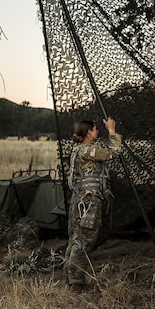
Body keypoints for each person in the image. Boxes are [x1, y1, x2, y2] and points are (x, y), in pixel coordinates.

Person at [65, 116, 121, 286]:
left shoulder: (79, 150)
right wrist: (112, 131)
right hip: (88, 200)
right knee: (84, 239)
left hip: (82, 199)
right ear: (89, 132)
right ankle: (76, 282)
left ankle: (70, 277)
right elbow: (113, 152)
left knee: (77, 237)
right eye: (95, 129)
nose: (97, 131)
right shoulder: (87, 151)